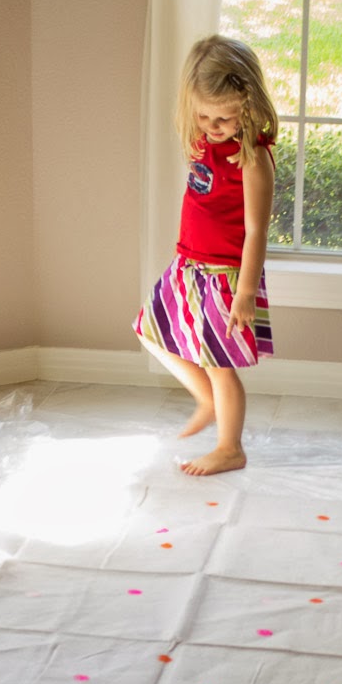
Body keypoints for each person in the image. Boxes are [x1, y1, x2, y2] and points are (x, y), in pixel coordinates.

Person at [133, 34, 278, 476]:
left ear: (247, 109)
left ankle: (230, 447)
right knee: (148, 329)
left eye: (226, 118)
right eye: (204, 115)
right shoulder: (202, 140)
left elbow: (256, 229)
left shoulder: (252, 159)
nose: (214, 126)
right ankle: (208, 402)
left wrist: (245, 292)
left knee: (219, 365)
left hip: (224, 275)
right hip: (189, 263)